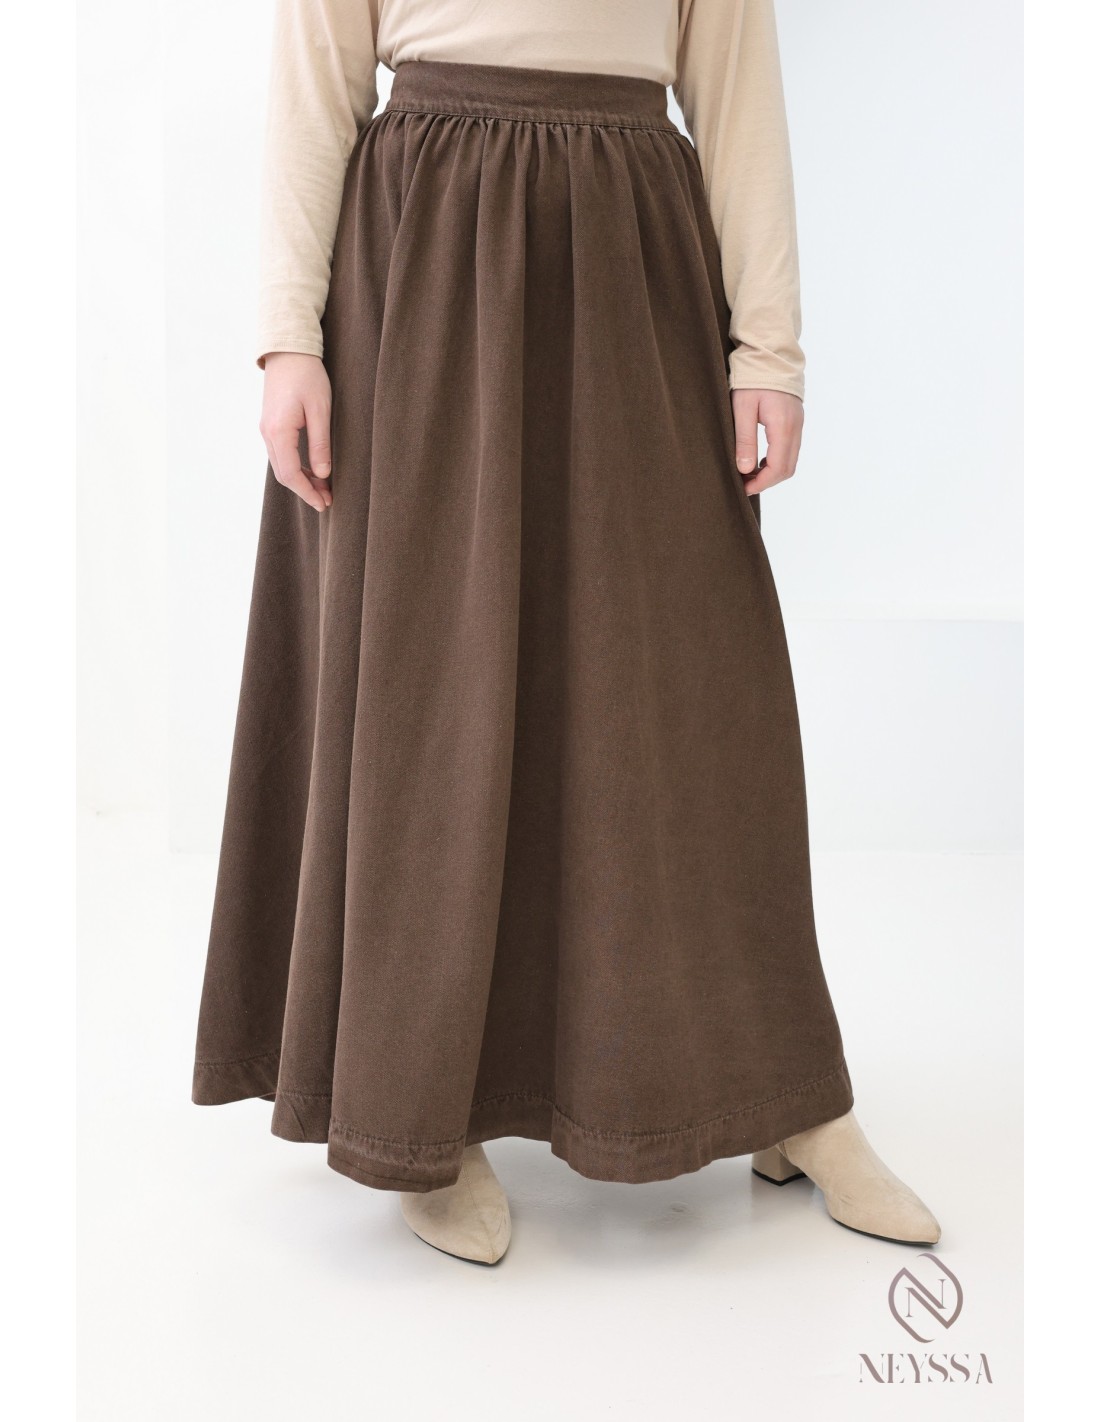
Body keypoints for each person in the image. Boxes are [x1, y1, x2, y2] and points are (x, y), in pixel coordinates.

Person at [192, 0, 942, 1264]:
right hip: (425, 245)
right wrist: (285, 338)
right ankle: (421, 1106)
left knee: (692, 696)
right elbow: (316, 78)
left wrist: (768, 348)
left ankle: (783, 1096)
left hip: (631, 244)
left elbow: (737, 92)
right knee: (436, 693)